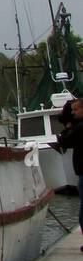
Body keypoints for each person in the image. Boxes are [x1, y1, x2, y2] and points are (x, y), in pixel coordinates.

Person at [52, 98, 83, 250]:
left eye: (75, 110)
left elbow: (65, 141)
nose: (73, 113)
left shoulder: (80, 127)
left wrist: (67, 128)